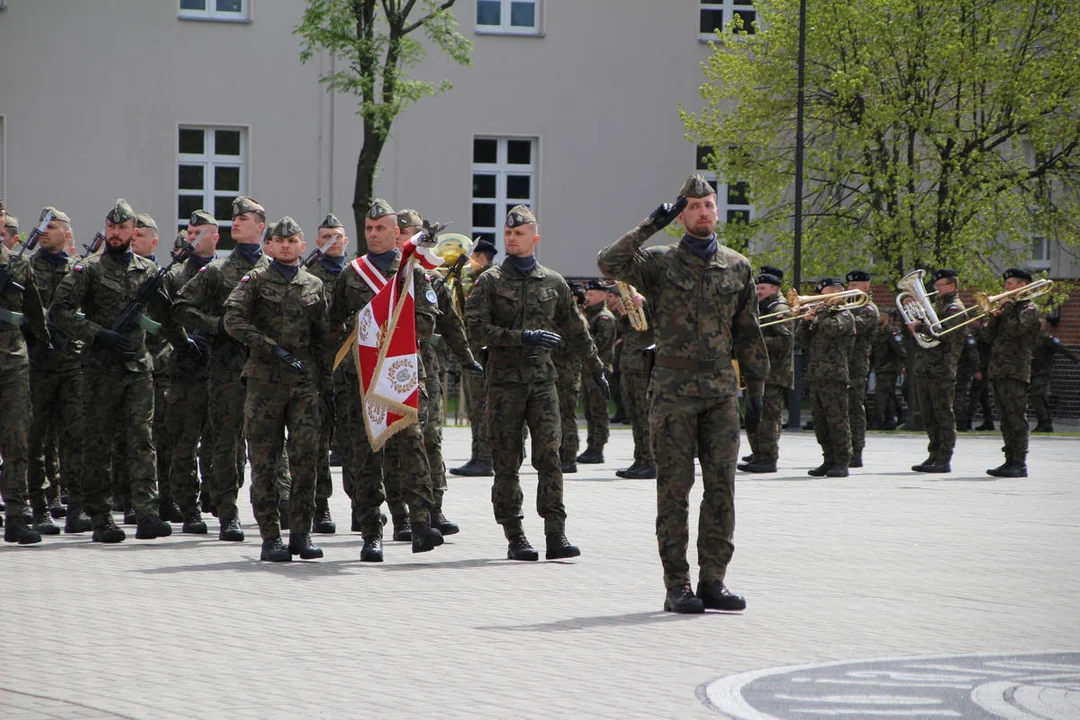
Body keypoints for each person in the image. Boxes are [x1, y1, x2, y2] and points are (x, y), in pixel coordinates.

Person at [597, 174, 767, 614]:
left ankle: (714, 581)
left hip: (720, 393)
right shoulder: (658, 263)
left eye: (708, 206)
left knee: (722, 489)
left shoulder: (737, 265)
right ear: (682, 214)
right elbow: (610, 263)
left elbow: (748, 332)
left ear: (716, 211)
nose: (703, 213)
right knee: (674, 489)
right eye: (693, 207)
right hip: (673, 391)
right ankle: (678, 586)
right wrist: (652, 222)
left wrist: (758, 389)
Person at [467, 204, 606, 562]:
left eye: (519, 233)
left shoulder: (553, 282)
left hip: (543, 383)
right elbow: (476, 330)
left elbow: (577, 331)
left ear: (535, 238)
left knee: (550, 457)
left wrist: (596, 369)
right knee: (507, 461)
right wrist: (521, 337)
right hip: (504, 384)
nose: (512, 239)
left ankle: (555, 533)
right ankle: (515, 536)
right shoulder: (490, 281)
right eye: (508, 233)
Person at [49, 199, 192, 542]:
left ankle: (146, 514)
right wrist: (99, 334)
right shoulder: (89, 269)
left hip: (139, 366)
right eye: (111, 228)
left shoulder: (146, 271)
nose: (115, 233)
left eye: (122, 228)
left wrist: (184, 344)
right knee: (99, 443)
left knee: (142, 441)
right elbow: (60, 312)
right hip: (100, 368)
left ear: (133, 232)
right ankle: (101, 518)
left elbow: (167, 316)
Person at [327, 198, 462, 560]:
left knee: (413, 448)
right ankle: (372, 533)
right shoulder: (352, 274)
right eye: (369, 229)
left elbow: (427, 323)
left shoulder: (413, 272)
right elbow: (332, 323)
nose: (373, 234)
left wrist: (391, 325)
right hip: (362, 377)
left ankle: (420, 524)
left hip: (401, 375)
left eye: (380, 228)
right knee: (366, 454)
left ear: (396, 233)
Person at [223, 217, 333, 561]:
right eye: (279, 240)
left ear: (302, 245)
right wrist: (269, 346)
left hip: (303, 383)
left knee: (306, 460)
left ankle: (301, 534)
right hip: (265, 381)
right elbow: (233, 319)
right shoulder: (254, 280)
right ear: (268, 246)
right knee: (265, 462)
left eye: (293, 240)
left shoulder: (313, 284)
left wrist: (326, 383)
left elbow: (323, 336)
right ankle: (271, 537)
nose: (285, 245)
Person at [174, 196, 268, 542]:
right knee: (225, 443)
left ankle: (273, 507)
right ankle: (227, 512)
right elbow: (181, 306)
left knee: (268, 443)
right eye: (234, 219)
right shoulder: (216, 271)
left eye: (244, 219)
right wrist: (216, 326)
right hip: (227, 368)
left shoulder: (275, 269)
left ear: (261, 227)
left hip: (267, 369)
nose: (237, 223)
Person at [25, 207, 91, 535]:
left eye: (53, 227)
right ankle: (39, 508)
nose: (46, 232)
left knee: (75, 438)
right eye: (43, 227)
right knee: (35, 439)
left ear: (67, 233)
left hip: (72, 364)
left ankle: (77, 507)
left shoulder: (78, 271)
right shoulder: (26, 268)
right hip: (37, 365)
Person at [164, 215, 218, 533]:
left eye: (200, 233)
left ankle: (220, 500)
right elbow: (168, 319)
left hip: (220, 369)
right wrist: (184, 342)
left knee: (223, 444)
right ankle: (189, 508)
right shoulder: (173, 276)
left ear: (215, 237)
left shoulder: (227, 274)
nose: (193, 237)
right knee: (184, 442)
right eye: (190, 232)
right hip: (186, 369)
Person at [1, 207, 49, 544]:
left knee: (17, 439)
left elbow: (34, 312)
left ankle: (16, 515)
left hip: (12, 361)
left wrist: (45, 344)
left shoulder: (18, 263)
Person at [305, 213, 349, 534]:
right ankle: (321, 506)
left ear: (346, 241)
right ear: (318, 242)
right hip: (321, 370)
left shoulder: (360, 273)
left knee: (357, 442)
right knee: (319, 443)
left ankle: (363, 506)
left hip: (354, 369)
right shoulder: (308, 276)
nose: (332, 241)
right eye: (326, 237)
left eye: (337, 236)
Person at [905, 269, 966, 473]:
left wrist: (919, 327)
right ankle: (933, 454)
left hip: (942, 369)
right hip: (926, 367)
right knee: (929, 415)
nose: (936, 289)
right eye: (936, 285)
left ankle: (944, 458)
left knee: (943, 415)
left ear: (952, 286)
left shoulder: (955, 309)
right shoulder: (937, 305)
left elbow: (944, 332)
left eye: (940, 285)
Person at [985, 268, 1042, 477]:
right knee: (1005, 419)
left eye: (1010, 284)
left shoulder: (1030, 309)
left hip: (1016, 370)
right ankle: (1008, 460)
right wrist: (994, 316)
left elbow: (1015, 330)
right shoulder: (1008, 309)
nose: (1005, 288)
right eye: (1006, 284)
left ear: (1023, 285)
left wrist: (1006, 307)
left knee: (1016, 417)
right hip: (999, 369)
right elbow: (986, 336)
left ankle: (1019, 462)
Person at [796, 278, 856, 477]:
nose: (821, 298)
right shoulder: (821, 316)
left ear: (837, 293)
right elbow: (803, 341)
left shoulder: (845, 315)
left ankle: (842, 461)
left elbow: (833, 329)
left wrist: (819, 313)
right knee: (821, 423)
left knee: (837, 421)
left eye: (825, 294)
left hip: (835, 376)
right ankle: (828, 458)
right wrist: (805, 322)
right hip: (816, 376)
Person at [450, 237, 499, 478]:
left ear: (480, 258)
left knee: (481, 407)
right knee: (475, 407)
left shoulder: (487, 281)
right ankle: (478, 457)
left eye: (470, 258)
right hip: (474, 352)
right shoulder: (478, 281)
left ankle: (484, 459)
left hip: (482, 354)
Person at [740, 266, 793, 474]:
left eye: (762, 288)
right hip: (757, 372)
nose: (758, 291)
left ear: (774, 288)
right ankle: (759, 454)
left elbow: (784, 341)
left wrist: (753, 341)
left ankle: (768, 458)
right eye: (757, 287)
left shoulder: (779, 309)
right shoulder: (761, 307)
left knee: (769, 418)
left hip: (774, 373)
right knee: (754, 416)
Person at [613, 283, 656, 479]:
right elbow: (624, 329)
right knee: (634, 416)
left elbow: (657, 324)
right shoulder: (636, 302)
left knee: (645, 416)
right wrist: (625, 313)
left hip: (643, 369)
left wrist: (644, 304)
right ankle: (640, 458)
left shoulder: (656, 299)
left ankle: (651, 461)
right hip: (629, 368)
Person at [576, 279, 617, 464]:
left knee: (598, 410)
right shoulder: (590, 315)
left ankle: (597, 448)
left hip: (600, 370)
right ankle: (591, 446)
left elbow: (598, 344)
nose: (588, 297)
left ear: (603, 295)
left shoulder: (604, 318)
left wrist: (582, 331)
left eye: (592, 294)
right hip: (587, 370)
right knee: (589, 410)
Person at [844, 270, 879, 467]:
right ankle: (843, 449)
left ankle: (856, 451)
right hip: (841, 363)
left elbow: (853, 327)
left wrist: (836, 312)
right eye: (849, 286)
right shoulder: (848, 306)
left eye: (854, 285)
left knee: (854, 408)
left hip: (856, 365)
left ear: (866, 286)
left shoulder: (869, 309)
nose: (850, 289)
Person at [554, 282, 588, 474]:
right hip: (557, 374)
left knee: (567, 416)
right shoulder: (562, 318)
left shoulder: (575, 319)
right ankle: (561, 454)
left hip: (567, 375)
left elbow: (567, 346)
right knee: (558, 416)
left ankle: (569, 457)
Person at [1030, 317, 1080, 432]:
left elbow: (1062, 349)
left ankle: (1044, 422)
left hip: (1043, 372)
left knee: (1037, 395)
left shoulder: (1047, 338)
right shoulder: (1031, 337)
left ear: (1043, 325)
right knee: (1040, 396)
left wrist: (1076, 359)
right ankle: (1046, 422)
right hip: (1034, 371)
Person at [870, 310, 906, 430]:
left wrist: (902, 365)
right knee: (888, 394)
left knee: (882, 394)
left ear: (886, 317)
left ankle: (881, 419)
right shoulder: (877, 332)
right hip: (880, 367)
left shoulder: (892, 331)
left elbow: (900, 350)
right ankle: (892, 418)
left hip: (889, 368)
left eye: (880, 316)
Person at [953, 327, 981, 431]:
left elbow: (973, 354)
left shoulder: (966, 333)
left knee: (960, 396)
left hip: (962, 369)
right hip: (954, 368)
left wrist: (976, 369)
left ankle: (961, 423)